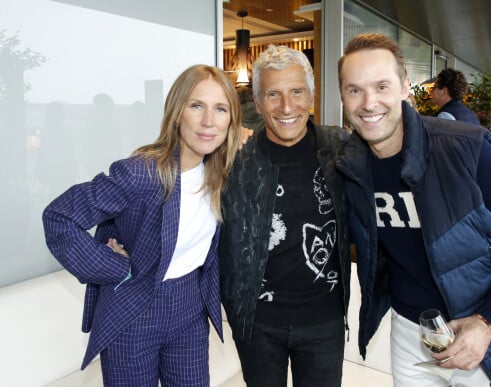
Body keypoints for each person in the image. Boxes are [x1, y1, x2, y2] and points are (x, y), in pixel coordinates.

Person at [336, 33, 491, 387]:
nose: (368, 102)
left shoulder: (463, 147)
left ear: (406, 87)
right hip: (409, 333)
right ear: (343, 96)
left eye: (381, 86)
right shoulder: (351, 166)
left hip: (482, 330)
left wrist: (487, 324)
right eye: (354, 90)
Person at [42, 64, 242, 386]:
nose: (209, 121)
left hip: (190, 309)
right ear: (178, 113)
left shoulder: (224, 173)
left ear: (231, 119)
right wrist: (114, 267)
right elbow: (58, 217)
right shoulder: (141, 173)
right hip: (134, 311)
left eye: (221, 109)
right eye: (196, 106)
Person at [219, 44, 351, 387]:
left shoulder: (343, 150)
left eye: (296, 91)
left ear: (311, 94)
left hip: (325, 321)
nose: (287, 106)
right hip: (257, 324)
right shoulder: (235, 160)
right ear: (258, 103)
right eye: (273, 94)